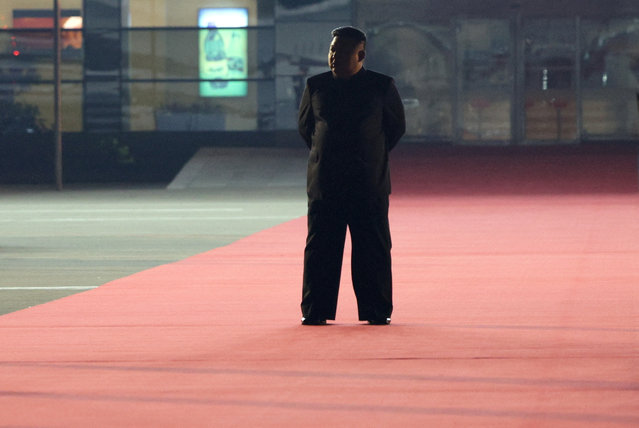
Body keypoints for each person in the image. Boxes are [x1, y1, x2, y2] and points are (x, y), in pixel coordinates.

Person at [298, 26, 406, 326]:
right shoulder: (316, 85)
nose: (334, 56)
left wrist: (370, 155)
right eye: (332, 50)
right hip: (325, 183)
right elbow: (307, 128)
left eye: (343, 51)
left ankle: (376, 309)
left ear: (360, 55)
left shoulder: (381, 86)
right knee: (320, 249)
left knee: (373, 248)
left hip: (368, 183)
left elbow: (395, 128)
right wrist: (326, 153)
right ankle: (315, 310)